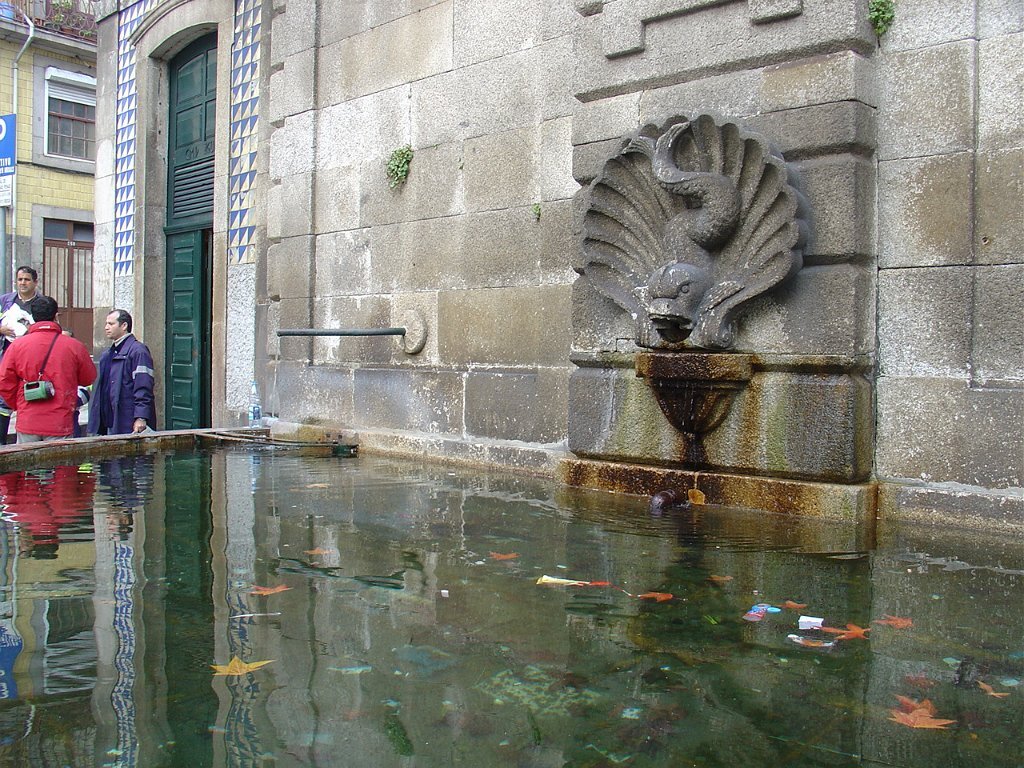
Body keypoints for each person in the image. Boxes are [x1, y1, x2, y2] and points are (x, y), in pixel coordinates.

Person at [0, 295, 96, 442]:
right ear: (56, 316)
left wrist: (20, 403)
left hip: (28, 419)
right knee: (60, 457)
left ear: (32, 317)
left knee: (27, 457)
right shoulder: (74, 346)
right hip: (60, 420)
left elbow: (4, 382)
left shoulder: (17, 346)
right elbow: (88, 378)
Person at [87, 309, 156, 435]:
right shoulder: (107, 355)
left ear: (124, 325)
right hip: (108, 423)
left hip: (127, 422)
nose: (106, 327)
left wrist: (141, 417)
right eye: (106, 324)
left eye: (111, 324)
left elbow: (144, 386)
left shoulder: (138, 351)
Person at [0, 266, 48, 444]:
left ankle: (31, 441)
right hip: (6, 354)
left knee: (29, 395)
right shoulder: (5, 301)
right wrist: (1, 330)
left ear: (35, 282)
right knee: (3, 397)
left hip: (32, 358)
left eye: (26, 279)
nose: (22, 283)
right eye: (20, 279)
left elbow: (52, 328)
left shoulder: (43, 303)